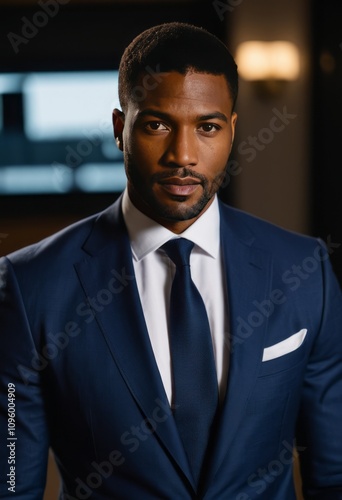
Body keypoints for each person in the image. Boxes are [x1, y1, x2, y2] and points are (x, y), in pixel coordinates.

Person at [0, 22, 342, 500]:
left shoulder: (304, 271)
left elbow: (334, 474)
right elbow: (11, 481)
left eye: (207, 127)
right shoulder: (30, 285)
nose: (183, 155)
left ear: (233, 130)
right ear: (121, 129)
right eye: (157, 125)